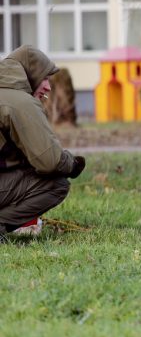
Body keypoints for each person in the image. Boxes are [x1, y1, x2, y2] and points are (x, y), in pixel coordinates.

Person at [0, 46, 85, 242]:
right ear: (31, 74)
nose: (48, 86)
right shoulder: (20, 102)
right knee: (56, 184)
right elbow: (49, 161)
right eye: (44, 78)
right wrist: (73, 164)